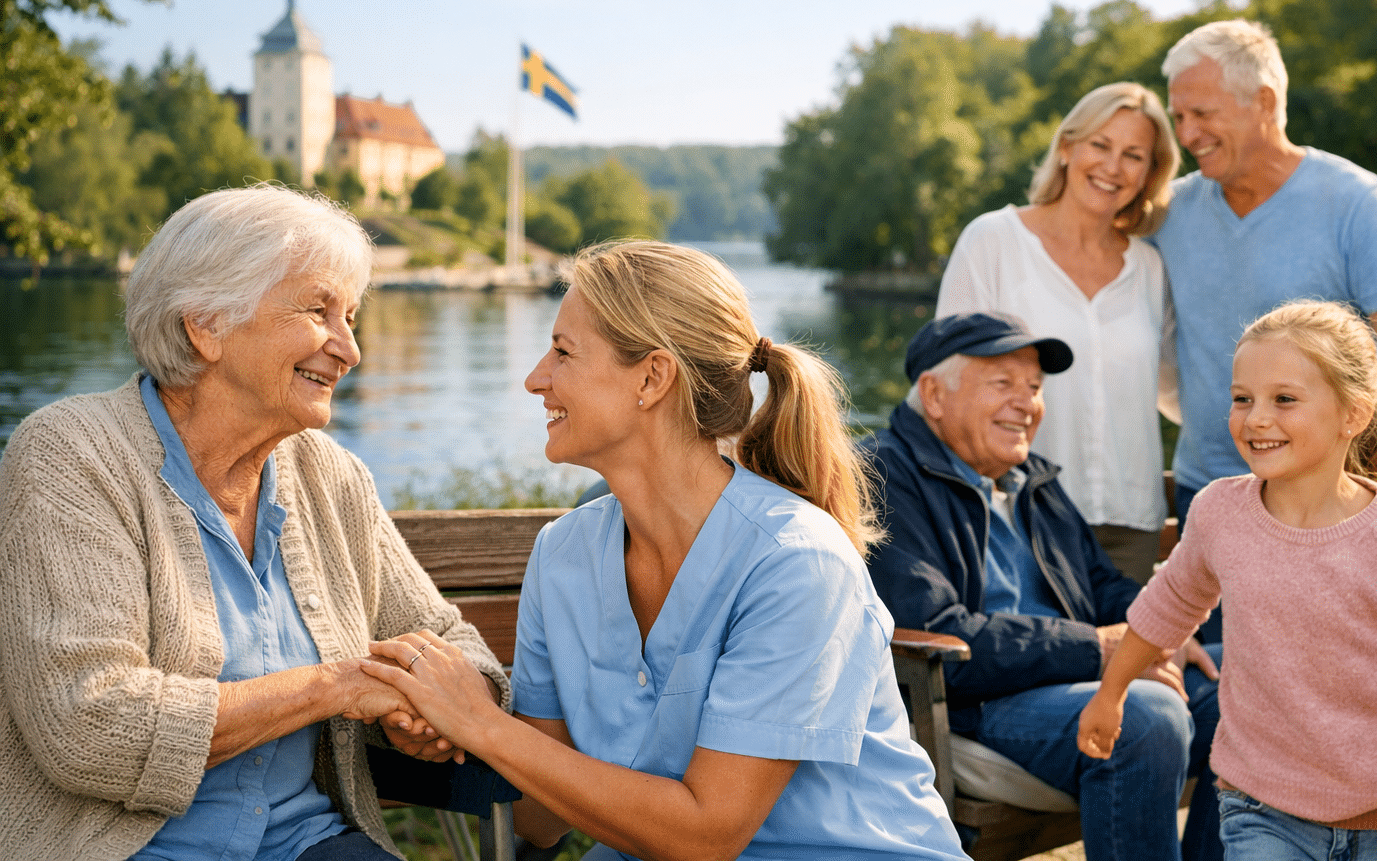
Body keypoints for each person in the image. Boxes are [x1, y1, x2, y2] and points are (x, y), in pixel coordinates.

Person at [363, 242, 967, 861]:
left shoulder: (796, 561)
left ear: (652, 377)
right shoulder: (563, 552)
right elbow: (540, 819)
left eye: (564, 352)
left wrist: (483, 726)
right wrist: (446, 725)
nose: (535, 377)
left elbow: (707, 836)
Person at [0, 186, 510, 861]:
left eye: (351, 317)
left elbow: (451, 644)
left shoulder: (330, 476)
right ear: (205, 324)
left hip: (310, 844)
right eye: (319, 310)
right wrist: (334, 687)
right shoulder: (72, 455)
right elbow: (89, 726)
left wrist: (436, 712)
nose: (349, 349)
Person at [1079, 300, 1377, 860]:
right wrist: (1111, 693)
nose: (1256, 418)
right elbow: (1166, 607)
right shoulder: (1220, 513)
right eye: (1243, 399)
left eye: (1284, 399)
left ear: (1354, 414)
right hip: (1263, 815)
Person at [864, 311, 1222, 861]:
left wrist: (1161, 631)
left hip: (1072, 684)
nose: (1026, 403)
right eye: (1003, 383)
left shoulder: (1032, 479)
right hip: (976, 706)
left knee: (1244, 684)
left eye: (1034, 387)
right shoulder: (885, 477)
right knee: (1148, 717)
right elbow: (939, 632)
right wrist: (1098, 650)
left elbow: (1102, 585)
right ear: (934, 395)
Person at [1153, 20, 1377, 561]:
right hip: (1210, 501)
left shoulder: (1356, 201)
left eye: (1202, 113)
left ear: (1264, 102)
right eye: (1179, 116)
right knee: (1214, 651)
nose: (1186, 133)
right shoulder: (1169, 213)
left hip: (1336, 504)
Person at [937, 82, 1181, 582]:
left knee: (1123, 662)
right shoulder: (994, 241)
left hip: (1128, 521)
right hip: (1015, 515)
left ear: (1150, 173)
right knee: (1042, 659)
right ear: (1067, 148)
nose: (1113, 167)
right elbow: (944, 380)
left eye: (1133, 155)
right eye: (1100, 145)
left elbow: (1172, 388)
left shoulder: (1151, 269)